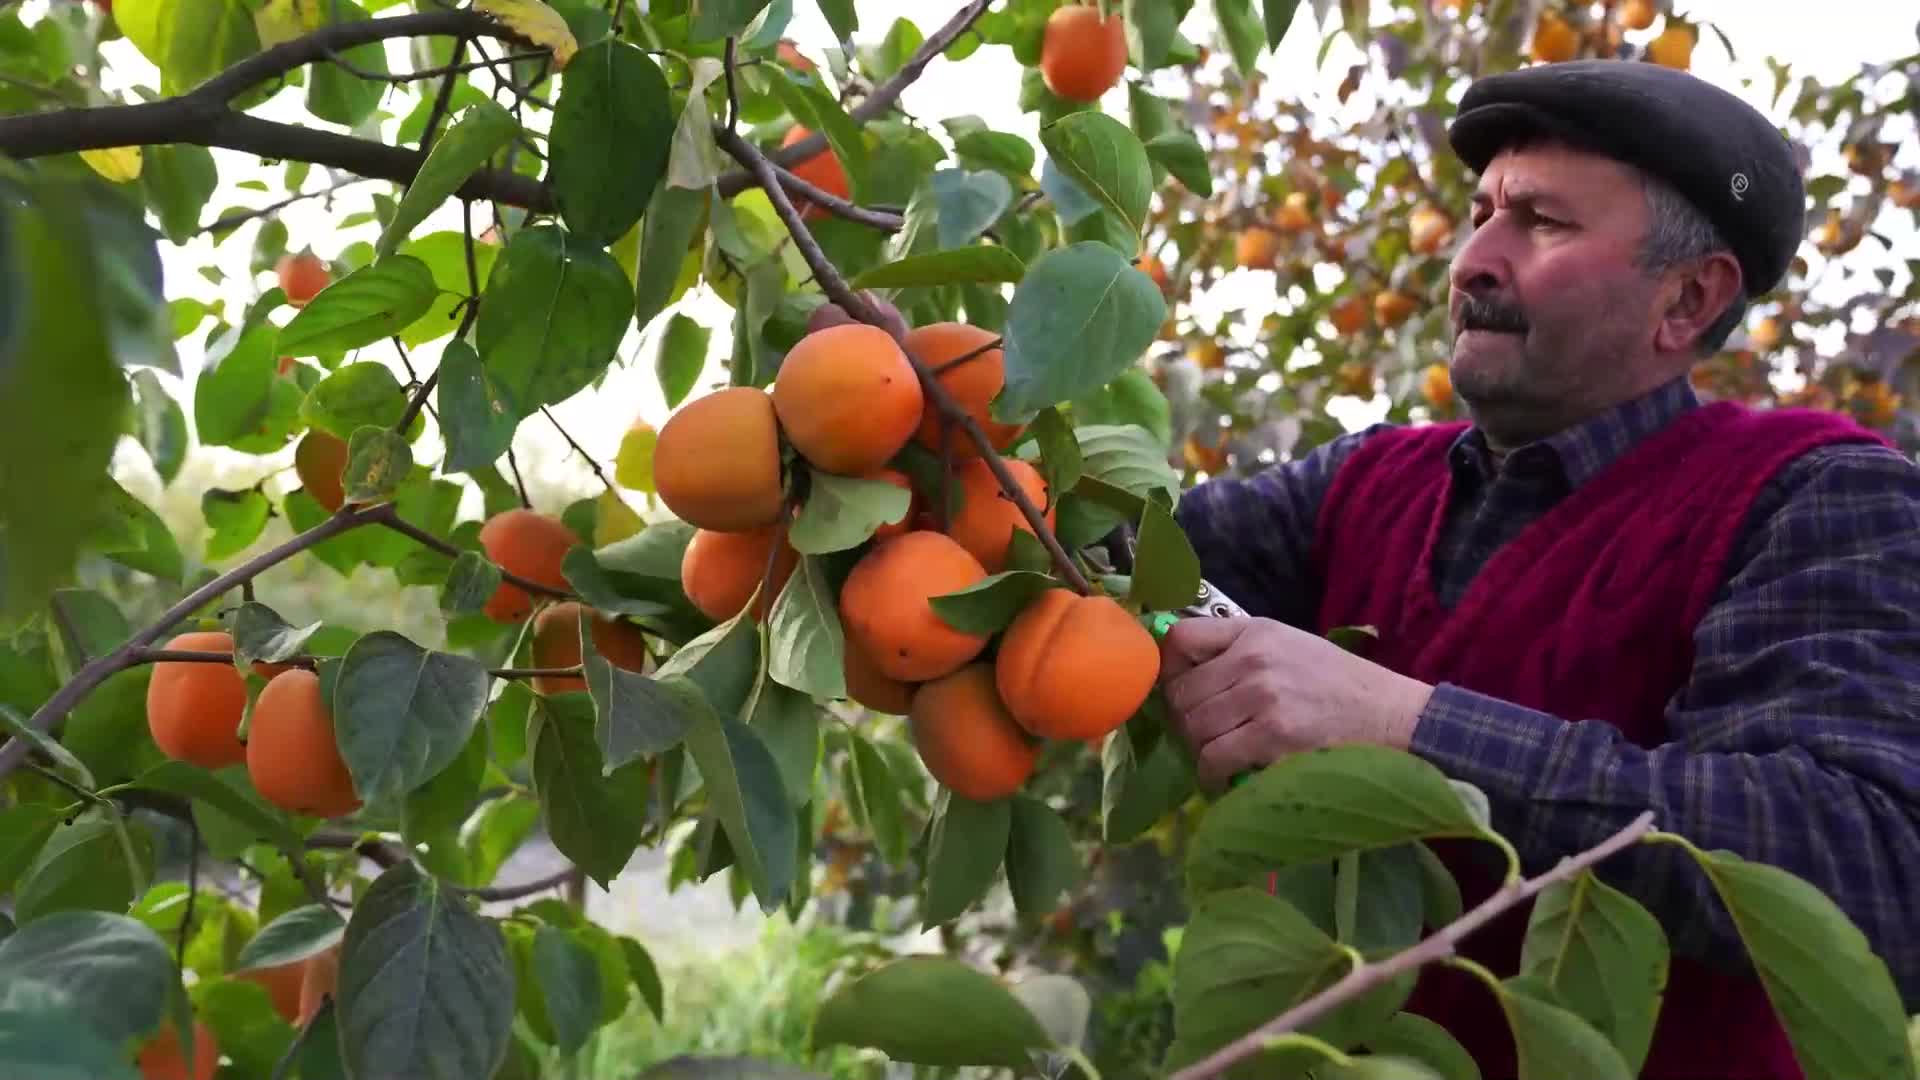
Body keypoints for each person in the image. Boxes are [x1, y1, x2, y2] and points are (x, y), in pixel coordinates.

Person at [1161, 58, 1920, 1080]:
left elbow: (1870, 864)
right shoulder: (1363, 485)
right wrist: (923, 403)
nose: (1472, 258)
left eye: (1542, 222)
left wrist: (1404, 726)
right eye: (1479, 212)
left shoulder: (1813, 497)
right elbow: (1104, 556)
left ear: (1688, 299)